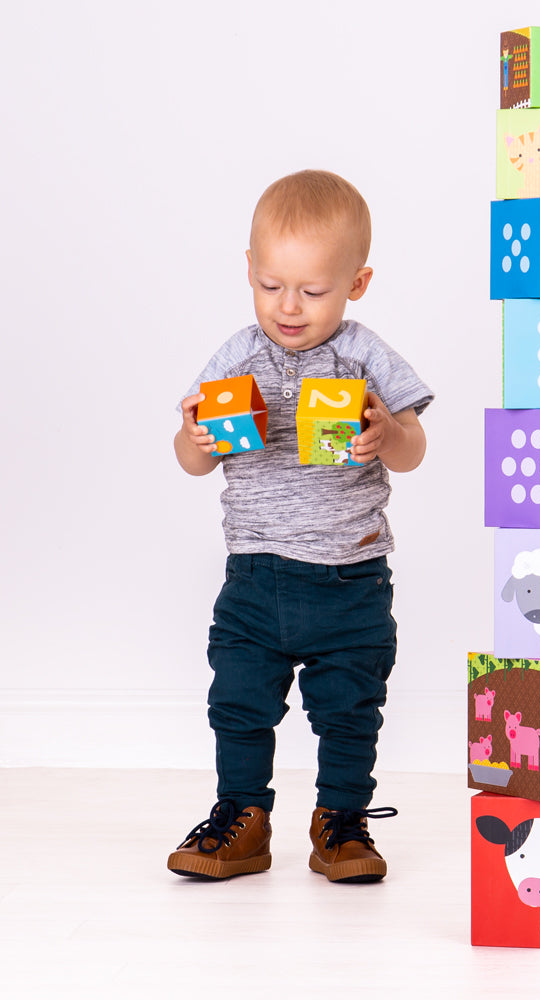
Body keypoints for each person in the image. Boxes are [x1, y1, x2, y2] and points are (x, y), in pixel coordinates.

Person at [168, 170, 433, 884]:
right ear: (249, 272)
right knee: (238, 705)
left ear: (357, 282)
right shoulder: (236, 356)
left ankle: (341, 822)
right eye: (271, 286)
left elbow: (414, 450)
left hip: (350, 577)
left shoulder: (366, 356)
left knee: (350, 709)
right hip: (254, 576)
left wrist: (387, 436)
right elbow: (190, 459)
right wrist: (196, 439)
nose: (289, 307)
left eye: (313, 291)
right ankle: (242, 818)